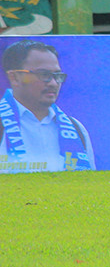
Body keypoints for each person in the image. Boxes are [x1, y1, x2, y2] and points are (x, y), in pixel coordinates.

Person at [1, 40, 95, 172]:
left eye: (57, 76)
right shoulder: (2, 124)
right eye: (44, 75)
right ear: (15, 77)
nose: (54, 83)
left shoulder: (76, 128)